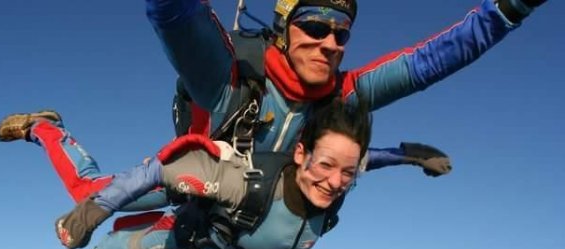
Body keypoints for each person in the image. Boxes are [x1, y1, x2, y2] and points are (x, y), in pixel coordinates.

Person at [0, 100, 376, 249]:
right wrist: (93, 213)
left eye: (348, 173)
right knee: (86, 192)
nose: (334, 181)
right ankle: (44, 128)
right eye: (326, 166)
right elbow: (158, 171)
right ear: (301, 155)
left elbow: (357, 161)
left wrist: (401, 156)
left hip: (202, 233)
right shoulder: (245, 185)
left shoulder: (334, 191)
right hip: (187, 193)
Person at [145, 0, 546, 156]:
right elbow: (173, 14)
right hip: (199, 203)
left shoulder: (338, 96)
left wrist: (511, 8)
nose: (330, 44)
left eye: (342, 35)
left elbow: (429, 63)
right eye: (315, 28)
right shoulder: (230, 79)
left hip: (267, 220)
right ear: (282, 32)